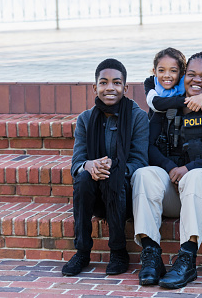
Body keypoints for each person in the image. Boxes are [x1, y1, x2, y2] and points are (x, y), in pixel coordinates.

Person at [131, 52, 202, 289]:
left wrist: (189, 168)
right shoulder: (166, 107)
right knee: (142, 175)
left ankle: (187, 258)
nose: (196, 80)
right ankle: (151, 254)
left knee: (196, 177)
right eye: (191, 74)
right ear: (183, 76)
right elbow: (148, 147)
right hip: (173, 185)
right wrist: (170, 168)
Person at [62, 58, 149, 276]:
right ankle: (82, 251)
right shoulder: (85, 119)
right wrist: (88, 165)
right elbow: (76, 163)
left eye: (116, 83)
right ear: (95, 87)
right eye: (103, 82)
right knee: (82, 178)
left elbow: (140, 161)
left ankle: (119, 251)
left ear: (125, 88)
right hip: (95, 195)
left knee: (115, 177)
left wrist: (116, 168)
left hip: (125, 195)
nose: (110, 87)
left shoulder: (138, 117)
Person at [144, 47, 202, 118]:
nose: (167, 75)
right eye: (161, 70)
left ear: (181, 73)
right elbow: (155, 103)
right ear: (154, 71)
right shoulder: (151, 83)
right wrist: (190, 101)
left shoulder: (184, 83)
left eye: (173, 71)